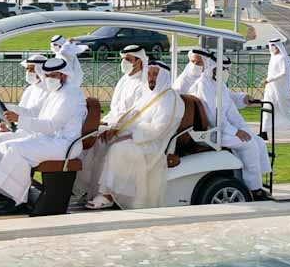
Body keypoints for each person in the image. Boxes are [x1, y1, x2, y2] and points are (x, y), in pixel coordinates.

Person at [0, 59, 87, 206]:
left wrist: (18, 119)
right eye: (47, 75)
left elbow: (51, 125)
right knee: (4, 146)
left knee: (14, 149)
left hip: (64, 145)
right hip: (48, 139)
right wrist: (8, 109)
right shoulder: (56, 92)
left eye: (53, 76)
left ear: (63, 75)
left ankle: (17, 198)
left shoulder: (70, 95)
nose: (49, 79)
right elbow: (35, 113)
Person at [178, 49, 266, 193]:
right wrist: (235, 131)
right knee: (249, 144)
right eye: (222, 69)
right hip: (212, 132)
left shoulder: (218, 84)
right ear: (212, 67)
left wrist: (243, 101)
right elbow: (213, 115)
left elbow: (229, 104)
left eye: (226, 69)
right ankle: (254, 188)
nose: (225, 72)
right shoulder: (203, 85)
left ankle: (255, 182)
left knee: (258, 141)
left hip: (221, 129)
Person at [99, 62, 182, 210]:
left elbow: (158, 129)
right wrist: (115, 129)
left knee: (118, 149)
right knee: (100, 139)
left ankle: (109, 194)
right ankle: (101, 190)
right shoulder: (149, 94)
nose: (151, 78)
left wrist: (130, 136)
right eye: (149, 74)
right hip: (137, 137)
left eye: (155, 74)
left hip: (154, 144)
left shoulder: (170, 98)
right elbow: (132, 116)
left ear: (164, 77)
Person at [77, 47, 149, 208]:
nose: (124, 62)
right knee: (88, 138)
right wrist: (105, 123)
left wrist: (116, 128)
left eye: (128, 59)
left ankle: (107, 194)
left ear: (139, 61)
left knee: (111, 146)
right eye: (123, 59)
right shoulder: (124, 80)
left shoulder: (143, 84)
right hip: (113, 124)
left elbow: (136, 114)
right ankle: (87, 188)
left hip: (132, 129)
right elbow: (115, 109)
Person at [261, 38, 290, 141]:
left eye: (273, 46)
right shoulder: (273, 57)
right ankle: (263, 132)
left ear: (278, 46)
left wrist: (269, 79)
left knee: (286, 110)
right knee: (267, 108)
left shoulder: (282, 58)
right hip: (271, 89)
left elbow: (283, 72)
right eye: (271, 46)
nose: (272, 48)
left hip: (281, 90)